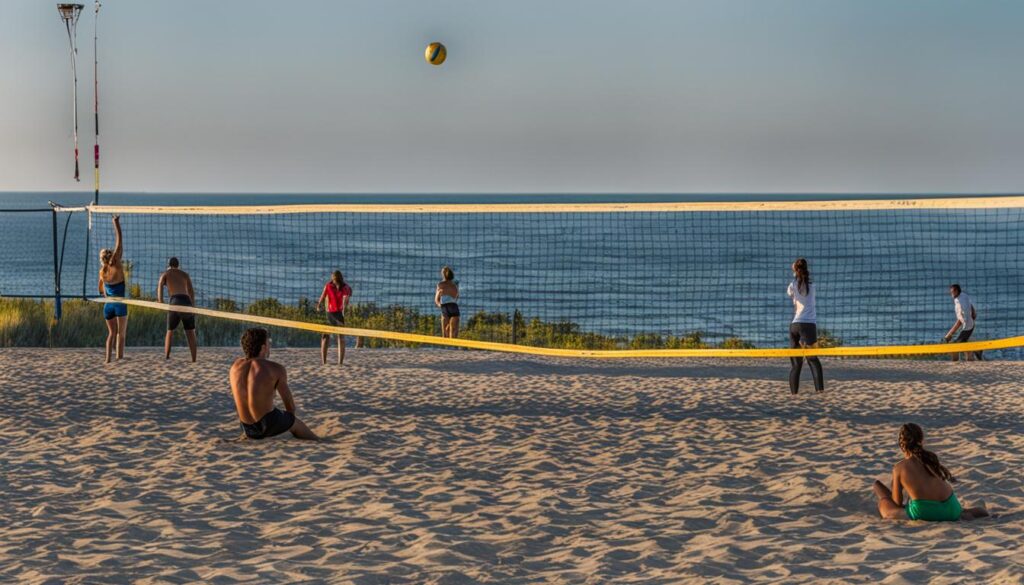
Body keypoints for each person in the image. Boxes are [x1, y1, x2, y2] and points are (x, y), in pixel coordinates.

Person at [872, 423, 988, 521]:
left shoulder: (899, 467)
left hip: (925, 512)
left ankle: (877, 489)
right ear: (921, 441)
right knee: (964, 511)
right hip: (952, 508)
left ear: (901, 445)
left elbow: (897, 503)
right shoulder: (930, 459)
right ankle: (977, 512)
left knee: (885, 504)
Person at [230, 328, 319, 441]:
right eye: (269, 342)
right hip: (267, 424)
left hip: (247, 427)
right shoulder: (275, 368)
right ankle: (317, 440)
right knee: (294, 422)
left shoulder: (235, 367)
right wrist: (288, 421)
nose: (269, 346)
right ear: (263, 347)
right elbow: (290, 406)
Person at [786, 258, 824, 394]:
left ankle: (794, 394)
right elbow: (804, 288)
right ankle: (820, 392)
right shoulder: (812, 286)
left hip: (795, 325)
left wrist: (795, 274)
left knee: (796, 364)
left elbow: (791, 293)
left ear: (796, 270)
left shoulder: (793, 285)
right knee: (813, 360)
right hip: (808, 325)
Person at [98, 215, 128, 364]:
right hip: (119, 304)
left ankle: (107, 359)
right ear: (112, 256)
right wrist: (116, 223)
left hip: (107, 305)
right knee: (121, 334)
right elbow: (119, 240)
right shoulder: (116, 264)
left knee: (111, 333)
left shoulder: (102, 272)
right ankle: (119, 358)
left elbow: (101, 289)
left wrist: (105, 293)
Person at [157, 257, 198, 362]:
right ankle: (193, 359)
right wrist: (192, 307)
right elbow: (191, 292)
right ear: (178, 265)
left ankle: (166, 356)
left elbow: (160, 284)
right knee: (190, 332)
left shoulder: (166, 273)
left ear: (169, 265)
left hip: (175, 301)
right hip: (186, 301)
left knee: (170, 331)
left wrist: (160, 301)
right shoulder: (185, 274)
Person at [315, 271, 352, 365]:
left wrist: (345, 306)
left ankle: (340, 363)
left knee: (341, 338)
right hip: (330, 314)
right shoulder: (328, 286)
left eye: (335, 279)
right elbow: (322, 296)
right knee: (326, 337)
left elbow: (346, 300)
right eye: (333, 279)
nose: (334, 281)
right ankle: (324, 362)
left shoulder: (345, 287)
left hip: (339, 314)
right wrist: (319, 305)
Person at [944, 284, 982, 362]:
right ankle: (972, 355)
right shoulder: (963, 295)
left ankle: (957, 360)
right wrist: (974, 313)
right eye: (951, 292)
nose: (951, 294)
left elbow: (959, 321)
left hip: (967, 326)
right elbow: (970, 304)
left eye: (953, 292)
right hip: (970, 324)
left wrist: (950, 334)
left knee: (956, 346)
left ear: (957, 291)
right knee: (963, 344)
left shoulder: (960, 304)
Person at [435, 266, 460, 339]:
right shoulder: (455, 284)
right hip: (453, 306)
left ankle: (446, 348)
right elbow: (456, 296)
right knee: (454, 331)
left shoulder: (440, 284)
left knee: (445, 333)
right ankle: (454, 347)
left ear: (443, 275)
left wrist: (440, 305)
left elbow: (436, 299)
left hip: (444, 306)